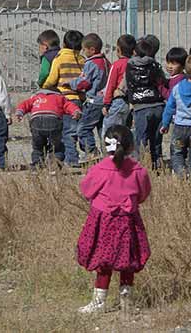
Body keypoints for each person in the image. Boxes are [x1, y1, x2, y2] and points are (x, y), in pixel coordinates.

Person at [76, 125, 151, 315]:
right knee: (128, 258)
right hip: (128, 220)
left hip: (103, 220)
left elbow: (86, 190)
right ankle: (126, 301)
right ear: (131, 146)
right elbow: (143, 194)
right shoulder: (138, 170)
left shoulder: (99, 169)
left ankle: (99, 302)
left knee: (103, 259)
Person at [161, 55, 191, 178]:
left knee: (177, 153)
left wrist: (165, 123)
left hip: (179, 128)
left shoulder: (177, 89)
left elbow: (170, 107)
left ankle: (181, 175)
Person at [43, 30, 87, 166]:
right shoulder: (82, 60)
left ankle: (72, 158)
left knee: (67, 131)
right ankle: (86, 152)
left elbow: (52, 79)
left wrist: (45, 86)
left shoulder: (59, 58)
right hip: (79, 99)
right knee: (78, 128)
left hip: (64, 99)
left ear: (63, 43)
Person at [14, 88, 82, 168]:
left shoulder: (36, 97)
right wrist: (76, 112)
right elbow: (69, 105)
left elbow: (25, 104)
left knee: (38, 146)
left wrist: (19, 113)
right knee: (57, 146)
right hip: (53, 120)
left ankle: (37, 165)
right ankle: (54, 164)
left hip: (36, 121)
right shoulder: (60, 97)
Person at [126, 37, 165, 170]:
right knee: (156, 138)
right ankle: (157, 164)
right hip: (158, 105)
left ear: (135, 52)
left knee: (141, 139)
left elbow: (129, 85)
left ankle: (143, 166)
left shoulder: (130, 65)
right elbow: (161, 82)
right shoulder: (154, 64)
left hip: (141, 107)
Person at [71, 33, 110, 159]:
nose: (83, 52)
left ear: (92, 49)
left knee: (82, 128)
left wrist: (71, 84)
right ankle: (108, 154)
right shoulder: (106, 62)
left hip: (94, 101)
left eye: (85, 49)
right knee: (102, 130)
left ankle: (91, 151)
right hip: (105, 100)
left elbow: (84, 82)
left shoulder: (91, 63)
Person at [102, 34, 136, 135]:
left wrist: (106, 103)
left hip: (118, 101)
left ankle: (109, 150)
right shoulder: (134, 64)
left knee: (109, 131)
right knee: (124, 131)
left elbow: (110, 85)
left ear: (118, 50)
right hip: (130, 101)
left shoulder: (117, 65)